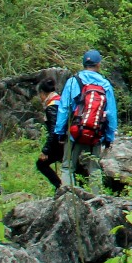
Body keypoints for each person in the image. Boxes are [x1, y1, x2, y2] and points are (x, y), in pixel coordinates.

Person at [38, 50, 119, 190]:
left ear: (83, 63)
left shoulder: (73, 81)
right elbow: (111, 113)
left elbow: (64, 109)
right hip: (96, 133)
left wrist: (59, 132)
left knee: (68, 167)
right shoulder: (105, 84)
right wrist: (109, 136)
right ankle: (97, 201)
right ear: (98, 64)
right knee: (94, 169)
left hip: (75, 133)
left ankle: (68, 198)